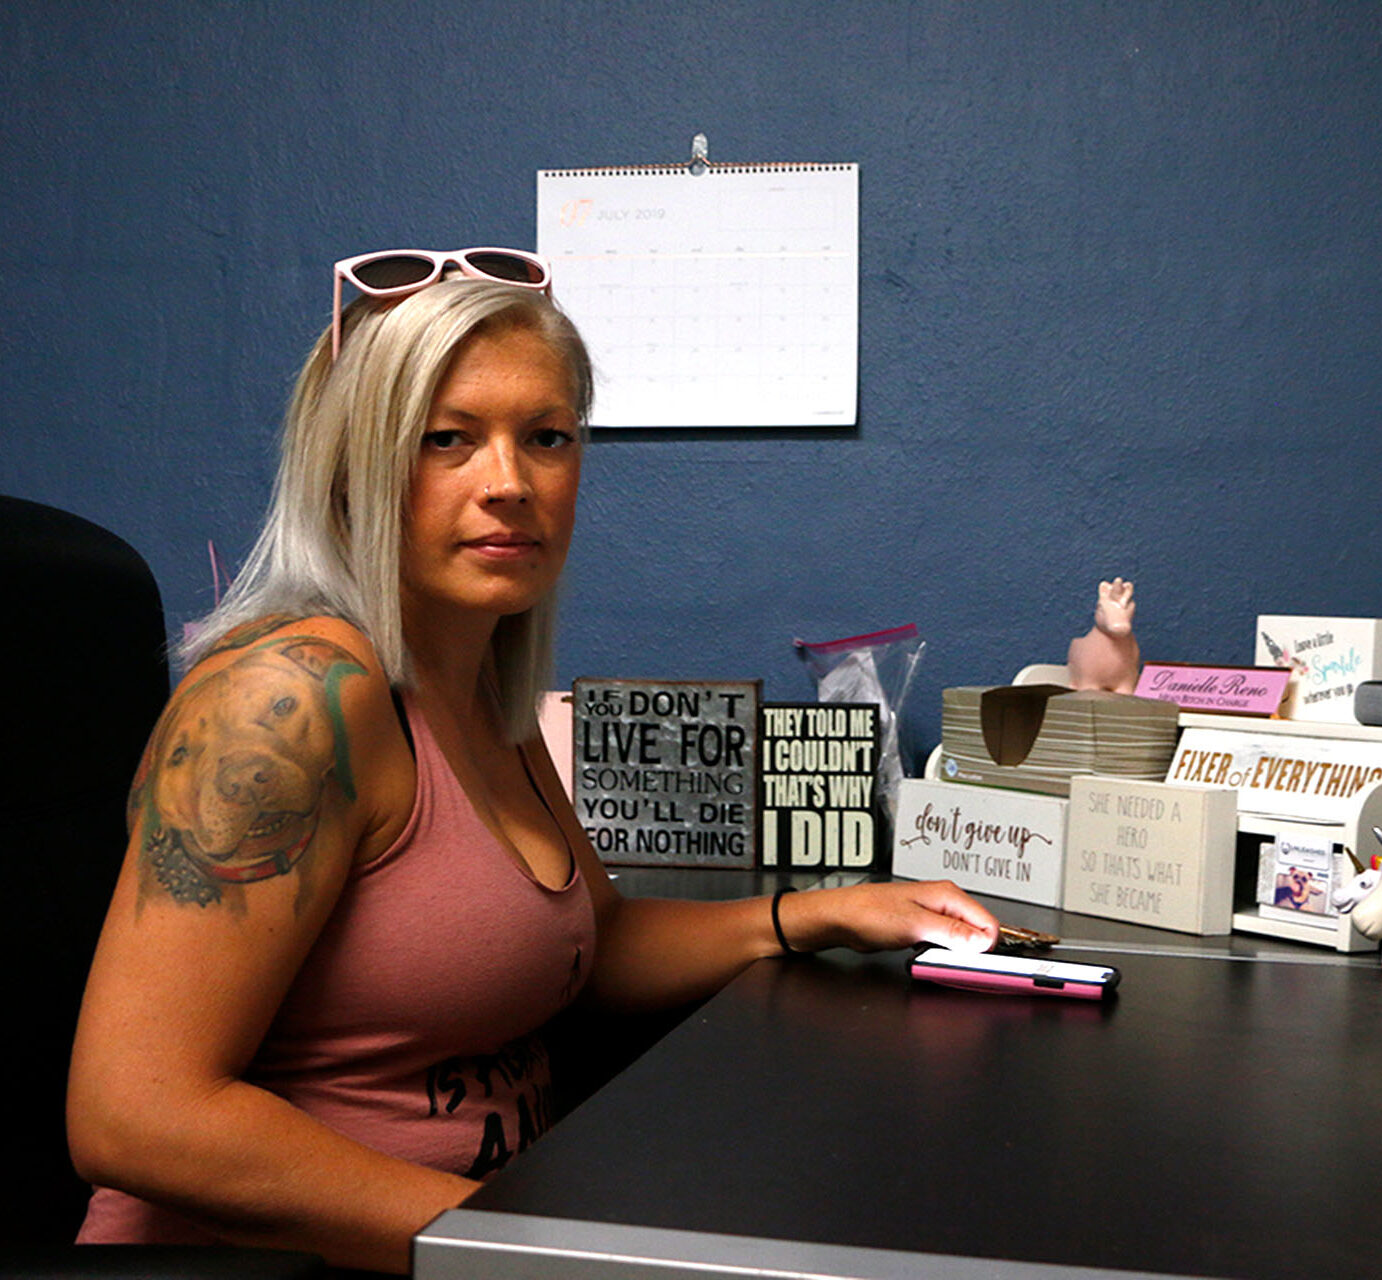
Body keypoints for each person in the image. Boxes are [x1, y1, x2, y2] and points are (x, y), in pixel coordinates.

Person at [66, 248, 1001, 1274]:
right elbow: (134, 1115)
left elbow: (588, 944)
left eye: (545, 437)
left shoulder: (475, 676)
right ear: (353, 462)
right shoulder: (289, 699)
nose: (508, 482)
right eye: (446, 440)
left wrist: (818, 912)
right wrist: (529, 1243)